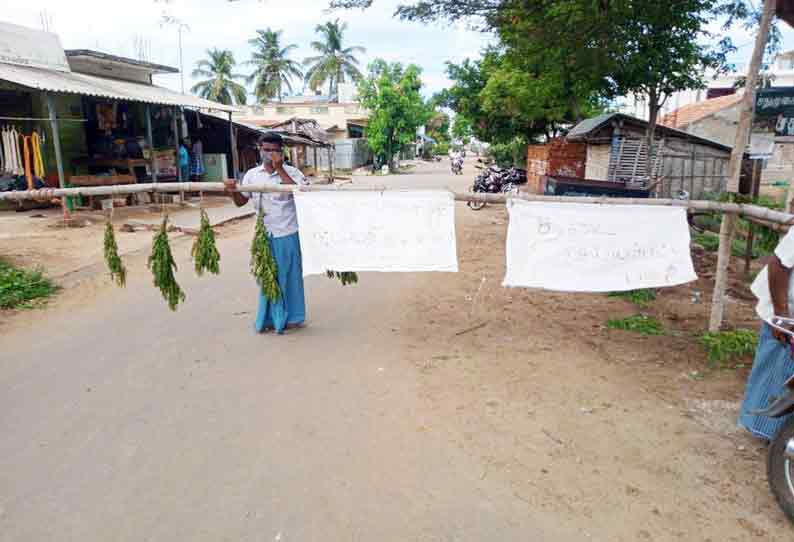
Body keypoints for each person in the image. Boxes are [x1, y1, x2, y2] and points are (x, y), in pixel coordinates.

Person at [224, 132, 308, 334]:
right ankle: (269, 318)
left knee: (289, 276)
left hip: (287, 232)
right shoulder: (252, 175)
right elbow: (241, 202)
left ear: (282, 151)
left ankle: (294, 317)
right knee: (267, 276)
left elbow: (301, 195)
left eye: (274, 150)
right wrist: (232, 190)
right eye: (265, 150)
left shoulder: (293, 173)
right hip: (264, 234)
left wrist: (279, 169)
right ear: (259, 150)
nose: (269, 154)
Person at [739, 228, 794, 440]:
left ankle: (782, 436)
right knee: (777, 370)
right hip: (783, 310)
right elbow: (778, 264)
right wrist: (781, 315)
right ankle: (764, 432)